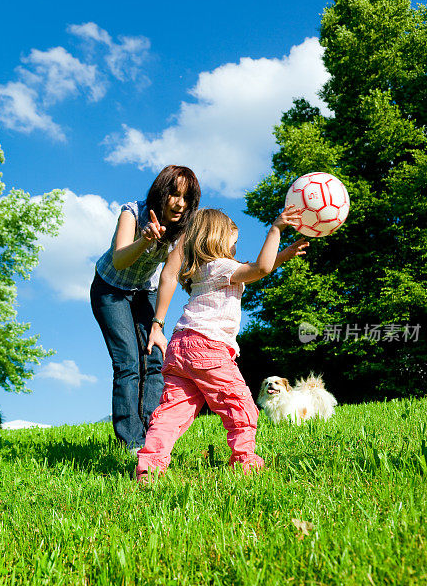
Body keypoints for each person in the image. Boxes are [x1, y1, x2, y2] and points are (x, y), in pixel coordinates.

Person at [136, 205, 309, 482]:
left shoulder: (201, 271)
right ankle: (245, 462)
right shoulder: (222, 267)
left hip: (180, 347)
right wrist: (275, 230)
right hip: (208, 347)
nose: (236, 247)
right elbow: (260, 268)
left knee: (172, 411)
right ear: (218, 236)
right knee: (240, 405)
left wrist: (282, 257)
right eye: (234, 240)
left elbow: (257, 269)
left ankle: (149, 467)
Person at [90, 165, 200, 452]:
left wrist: (158, 326)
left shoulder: (183, 229)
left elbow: (169, 275)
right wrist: (145, 241)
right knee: (128, 363)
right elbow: (119, 260)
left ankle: (153, 434)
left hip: (145, 291)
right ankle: (131, 441)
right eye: (174, 194)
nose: (180, 203)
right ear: (161, 192)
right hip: (110, 289)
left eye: (187, 198)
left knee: (154, 358)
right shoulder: (132, 212)